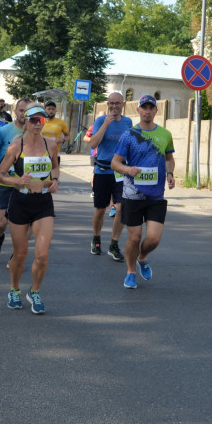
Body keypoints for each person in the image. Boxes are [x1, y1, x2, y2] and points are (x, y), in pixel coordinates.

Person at [0, 105, 61, 313]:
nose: (37, 124)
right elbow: (0, 174)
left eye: (41, 120)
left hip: (43, 203)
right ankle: (14, 289)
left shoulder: (50, 144)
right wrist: (17, 180)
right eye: (33, 120)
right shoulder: (16, 146)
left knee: (42, 255)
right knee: (21, 254)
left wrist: (56, 179)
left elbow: (56, 167)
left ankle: (34, 291)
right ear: (25, 121)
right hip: (20, 202)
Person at [111, 95, 175, 289]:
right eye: (144, 108)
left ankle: (143, 256)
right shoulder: (129, 134)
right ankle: (130, 272)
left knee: (154, 239)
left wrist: (170, 173)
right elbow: (115, 163)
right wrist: (128, 170)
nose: (148, 111)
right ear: (138, 110)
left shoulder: (165, 134)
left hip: (156, 195)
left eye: (151, 108)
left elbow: (169, 158)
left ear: (156, 111)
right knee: (135, 237)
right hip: (132, 194)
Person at [88, 92, 133, 261]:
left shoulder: (128, 122)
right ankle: (96, 238)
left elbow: (131, 145)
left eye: (117, 103)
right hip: (103, 170)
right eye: (111, 103)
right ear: (107, 104)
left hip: (121, 172)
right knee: (100, 209)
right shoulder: (101, 120)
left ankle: (114, 245)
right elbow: (93, 144)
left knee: (121, 209)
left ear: (123, 104)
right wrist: (105, 125)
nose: (114, 106)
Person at [0, 98, 30, 260]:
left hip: (26, 185)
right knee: (0, 224)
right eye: (21, 110)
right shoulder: (5, 131)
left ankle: (17, 254)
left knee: (25, 224)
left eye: (27, 111)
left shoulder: (36, 133)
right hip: (6, 182)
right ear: (15, 112)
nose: (23, 114)